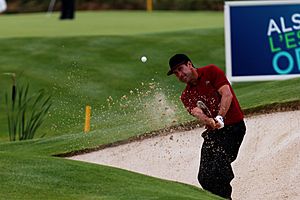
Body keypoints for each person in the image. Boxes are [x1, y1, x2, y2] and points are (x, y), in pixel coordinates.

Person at [167, 54, 246, 199]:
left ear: (190, 64)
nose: (179, 74)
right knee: (204, 177)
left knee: (219, 168)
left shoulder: (211, 71)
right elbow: (197, 112)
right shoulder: (185, 96)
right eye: (176, 73)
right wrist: (209, 121)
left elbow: (227, 94)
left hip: (234, 128)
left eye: (180, 69)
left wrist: (220, 117)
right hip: (214, 134)